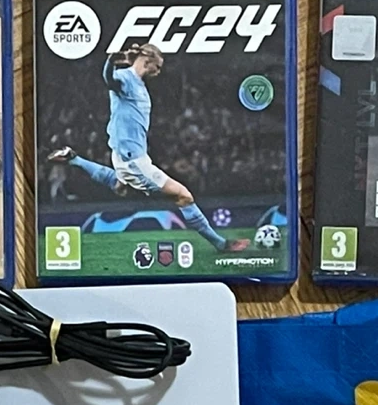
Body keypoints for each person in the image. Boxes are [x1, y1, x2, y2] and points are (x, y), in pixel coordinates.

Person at [48, 43, 250, 254]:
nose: (159, 71)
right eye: (158, 66)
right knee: (184, 196)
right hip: (133, 159)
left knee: (119, 186)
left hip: (129, 155)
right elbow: (109, 79)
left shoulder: (138, 84)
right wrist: (111, 60)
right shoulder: (125, 78)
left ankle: (74, 158)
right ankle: (221, 244)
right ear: (148, 60)